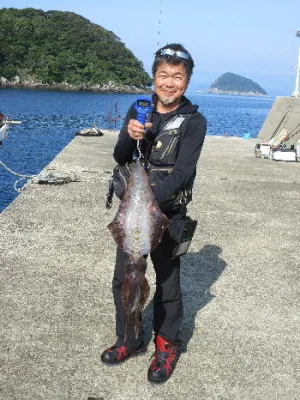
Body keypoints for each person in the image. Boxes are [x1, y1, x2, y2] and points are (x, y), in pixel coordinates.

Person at [101, 43, 207, 383]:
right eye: (164, 75)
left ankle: (166, 346)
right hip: (132, 216)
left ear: (187, 81)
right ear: (154, 77)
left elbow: (182, 174)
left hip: (168, 214)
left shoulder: (194, 122)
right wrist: (130, 136)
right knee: (124, 278)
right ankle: (128, 339)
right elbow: (120, 157)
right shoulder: (139, 107)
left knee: (169, 283)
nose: (170, 82)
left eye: (178, 77)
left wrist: (147, 200)